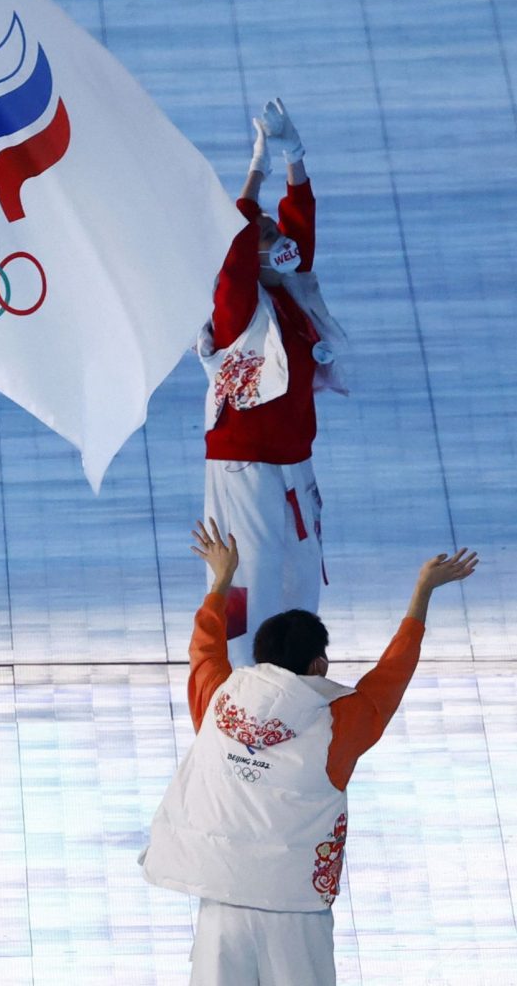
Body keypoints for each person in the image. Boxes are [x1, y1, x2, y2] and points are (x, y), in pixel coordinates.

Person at [141, 519, 477, 985]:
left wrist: (221, 578)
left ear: (259, 659)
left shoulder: (218, 702)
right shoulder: (341, 723)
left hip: (219, 897)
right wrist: (423, 592)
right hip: (296, 909)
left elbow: (204, 647)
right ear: (319, 664)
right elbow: (391, 675)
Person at [198, 99, 349, 665]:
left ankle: (298, 672)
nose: (278, 236)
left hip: (292, 458)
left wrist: (295, 156)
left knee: (300, 576)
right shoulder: (238, 308)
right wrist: (255, 170)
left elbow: (301, 235)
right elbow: (236, 244)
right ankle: (237, 676)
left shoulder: (289, 292)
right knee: (250, 577)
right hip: (244, 463)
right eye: (266, 231)